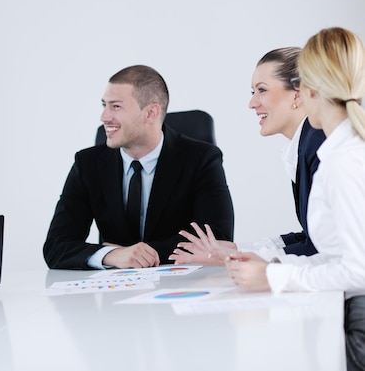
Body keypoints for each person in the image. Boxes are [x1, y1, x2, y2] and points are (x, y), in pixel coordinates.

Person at [222, 27, 365, 370]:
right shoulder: (336, 153)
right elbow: (332, 254)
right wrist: (270, 267)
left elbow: (358, 271)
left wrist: (275, 276)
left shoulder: (342, 161)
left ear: (305, 92)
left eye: (261, 90)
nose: (252, 102)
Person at [43, 64, 234, 270]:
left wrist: (137, 255)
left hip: (179, 288)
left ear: (151, 113)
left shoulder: (201, 159)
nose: (104, 117)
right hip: (114, 294)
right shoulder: (88, 164)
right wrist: (112, 255)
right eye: (104, 105)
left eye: (116, 106)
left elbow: (217, 241)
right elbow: (56, 246)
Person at [169, 47, 326, 265]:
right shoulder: (306, 143)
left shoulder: (319, 146)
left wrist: (239, 259)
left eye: (262, 90)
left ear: (297, 93)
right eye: (253, 92)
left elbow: (322, 250)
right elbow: (311, 238)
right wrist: (237, 249)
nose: (252, 103)